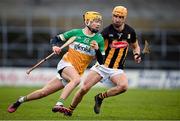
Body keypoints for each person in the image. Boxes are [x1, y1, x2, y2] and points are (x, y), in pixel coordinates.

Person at [7, 11, 104, 113]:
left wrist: (97, 49)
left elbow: (101, 61)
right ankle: (59, 104)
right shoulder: (75, 33)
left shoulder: (99, 39)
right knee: (76, 80)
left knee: (43, 93)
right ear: (87, 21)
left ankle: (19, 100)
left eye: (99, 22)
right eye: (95, 21)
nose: (98, 24)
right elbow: (55, 39)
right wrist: (55, 47)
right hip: (66, 64)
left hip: (77, 71)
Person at [58, 6, 142, 116]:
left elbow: (136, 46)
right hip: (102, 66)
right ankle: (70, 110)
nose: (117, 19)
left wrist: (136, 54)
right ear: (112, 16)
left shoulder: (130, 32)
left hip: (117, 68)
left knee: (124, 86)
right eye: (115, 16)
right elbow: (94, 45)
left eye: (120, 17)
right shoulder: (106, 31)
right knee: (84, 88)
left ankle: (100, 97)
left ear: (124, 18)